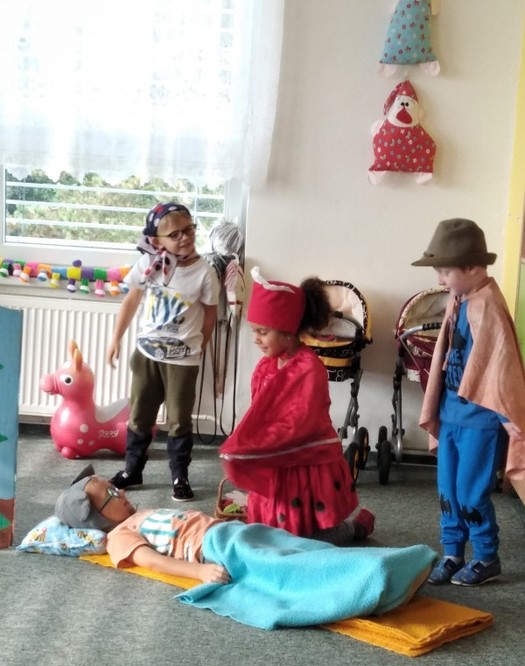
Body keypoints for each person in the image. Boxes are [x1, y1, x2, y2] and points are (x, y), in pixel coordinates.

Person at [54, 466, 437, 629]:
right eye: (111, 495)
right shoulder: (119, 535)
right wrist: (198, 572)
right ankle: (375, 576)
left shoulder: (141, 512)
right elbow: (151, 561)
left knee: (298, 546)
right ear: (96, 518)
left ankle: (379, 565)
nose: (120, 492)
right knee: (282, 567)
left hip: (230, 531)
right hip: (214, 549)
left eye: (115, 487)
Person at [219, 267, 374, 545]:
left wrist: (263, 442)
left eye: (263, 332)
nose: (256, 339)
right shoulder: (265, 366)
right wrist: (248, 441)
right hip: (276, 457)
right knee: (274, 525)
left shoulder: (308, 367)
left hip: (305, 459)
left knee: (310, 533)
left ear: (288, 332)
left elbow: (302, 419)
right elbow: (258, 411)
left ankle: (354, 529)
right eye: (254, 331)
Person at [412, 218, 525, 586]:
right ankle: (453, 552)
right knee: (448, 489)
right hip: (451, 413)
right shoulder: (460, 300)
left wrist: (508, 415)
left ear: (473, 267)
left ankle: (487, 556)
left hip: (480, 420)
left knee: (471, 492)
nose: (440, 279)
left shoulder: (488, 304)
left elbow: (501, 366)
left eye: (446, 271)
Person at [107, 202, 219, 502]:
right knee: (139, 416)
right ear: (156, 240)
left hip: (183, 359)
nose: (185, 237)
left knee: (180, 420)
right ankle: (132, 470)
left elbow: (210, 312)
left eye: (189, 230)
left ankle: (180, 476)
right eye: (175, 234)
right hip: (147, 354)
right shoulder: (149, 264)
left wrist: (202, 344)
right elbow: (131, 301)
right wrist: (116, 339)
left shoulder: (204, 272)